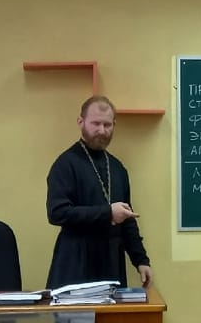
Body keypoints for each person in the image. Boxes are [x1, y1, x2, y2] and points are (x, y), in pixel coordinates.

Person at [45, 95, 153, 289]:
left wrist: (141, 260)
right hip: (75, 264)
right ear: (81, 122)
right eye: (95, 124)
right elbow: (57, 213)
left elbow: (127, 219)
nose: (102, 131)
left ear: (114, 125)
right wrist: (108, 213)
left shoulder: (118, 168)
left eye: (107, 125)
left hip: (111, 263)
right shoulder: (65, 164)